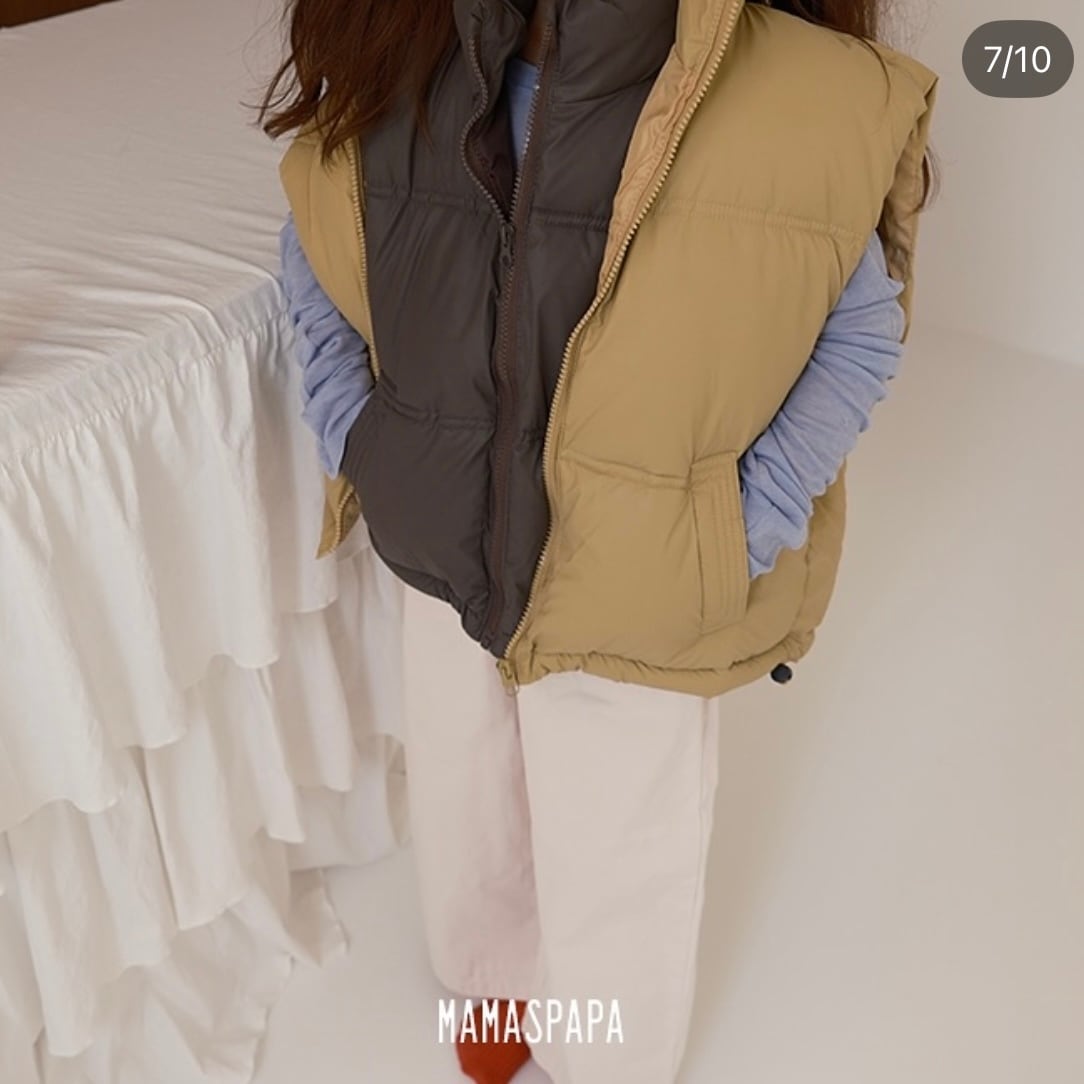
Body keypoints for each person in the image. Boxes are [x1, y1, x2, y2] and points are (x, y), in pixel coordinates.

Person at [259, 1, 939, 1080]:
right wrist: (366, 443)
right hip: (446, 545)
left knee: (619, 843)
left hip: (638, 578)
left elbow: (855, 331)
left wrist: (734, 526)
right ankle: (490, 979)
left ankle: (603, 1056)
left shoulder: (799, 96)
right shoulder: (407, 54)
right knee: (466, 792)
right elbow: (317, 250)